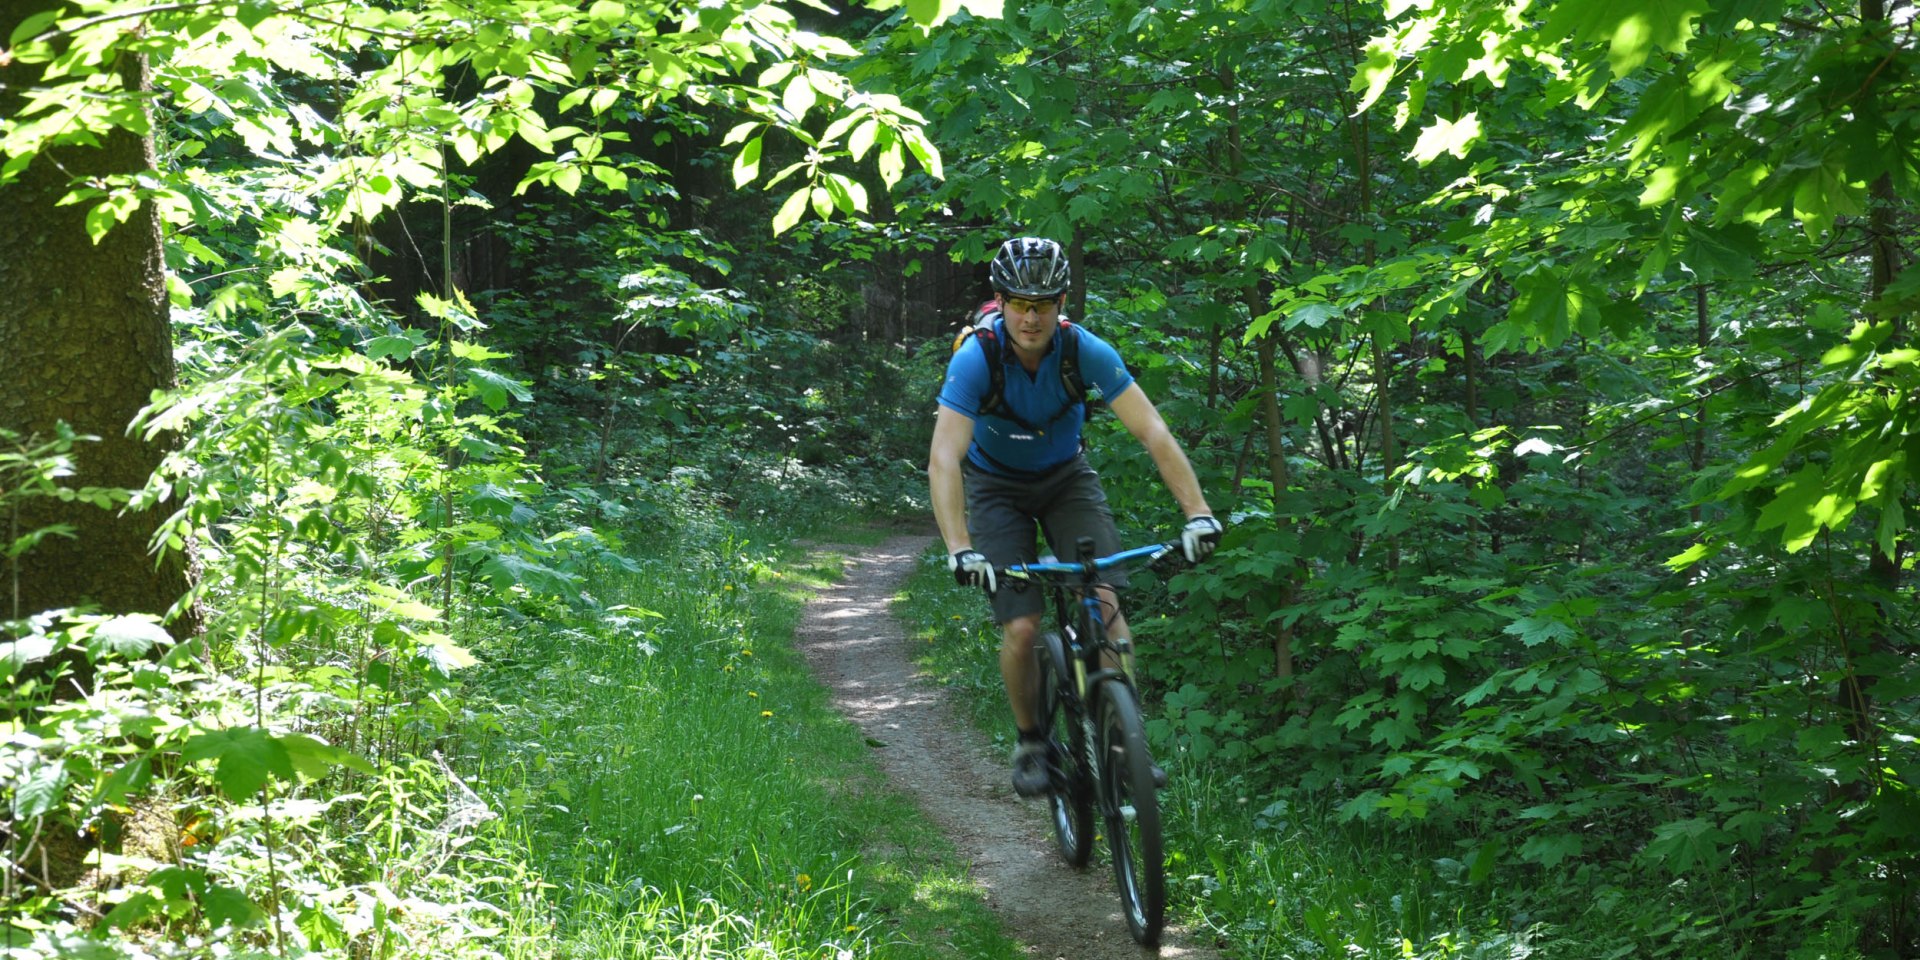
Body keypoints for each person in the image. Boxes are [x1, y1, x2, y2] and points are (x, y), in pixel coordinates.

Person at [927, 236, 1222, 797]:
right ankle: (1032, 739)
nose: (1030, 316)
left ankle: (1123, 742)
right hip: (995, 489)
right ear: (1000, 300)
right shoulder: (977, 358)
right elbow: (944, 457)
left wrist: (1199, 513)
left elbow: (1153, 432)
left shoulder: (1085, 350)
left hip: (1067, 479)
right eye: (1018, 302)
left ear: (1062, 303)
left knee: (1106, 605)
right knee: (1021, 625)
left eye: (1043, 304)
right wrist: (960, 547)